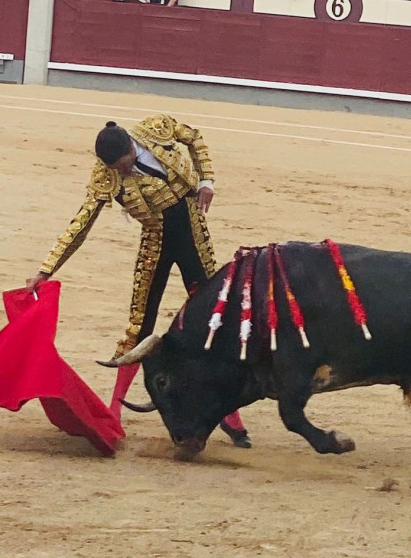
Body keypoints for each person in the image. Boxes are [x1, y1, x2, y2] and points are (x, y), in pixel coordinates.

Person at [25, 117, 251, 447]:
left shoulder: (156, 127)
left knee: (214, 322)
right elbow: (81, 224)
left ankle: (230, 415)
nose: (122, 173)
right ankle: (113, 413)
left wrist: (207, 181)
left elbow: (194, 137)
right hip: (155, 240)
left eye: (124, 165)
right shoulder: (106, 174)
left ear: (132, 148)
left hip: (192, 232)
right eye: (115, 168)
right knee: (139, 325)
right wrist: (46, 270)